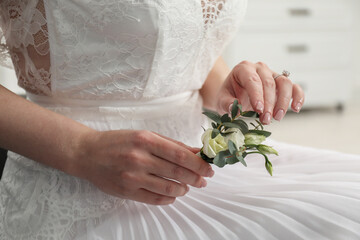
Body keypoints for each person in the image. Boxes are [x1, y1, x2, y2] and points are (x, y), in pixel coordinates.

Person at [0, 0, 359, 239]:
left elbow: (187, 39)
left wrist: (224, 94)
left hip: (206, 169)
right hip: (77, 184)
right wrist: (81, 149)